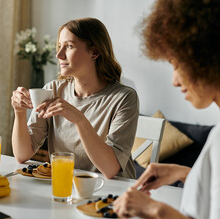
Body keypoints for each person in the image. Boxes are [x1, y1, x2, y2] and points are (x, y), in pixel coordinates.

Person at [113, 0, 220, 219]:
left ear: (206, 57)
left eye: (176, 64)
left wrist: (154, 208)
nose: (174, 80)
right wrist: (187, 174)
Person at [11, 18, 139, 179]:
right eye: (59, 47)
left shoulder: (124, 98)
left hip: (111, 193)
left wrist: (79, 119)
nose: (59, 55)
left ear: (95, 52)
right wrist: (19, 112)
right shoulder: (53, 90)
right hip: (64, 186)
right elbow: (22, 155)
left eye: (69, 46)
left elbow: (110, 169)